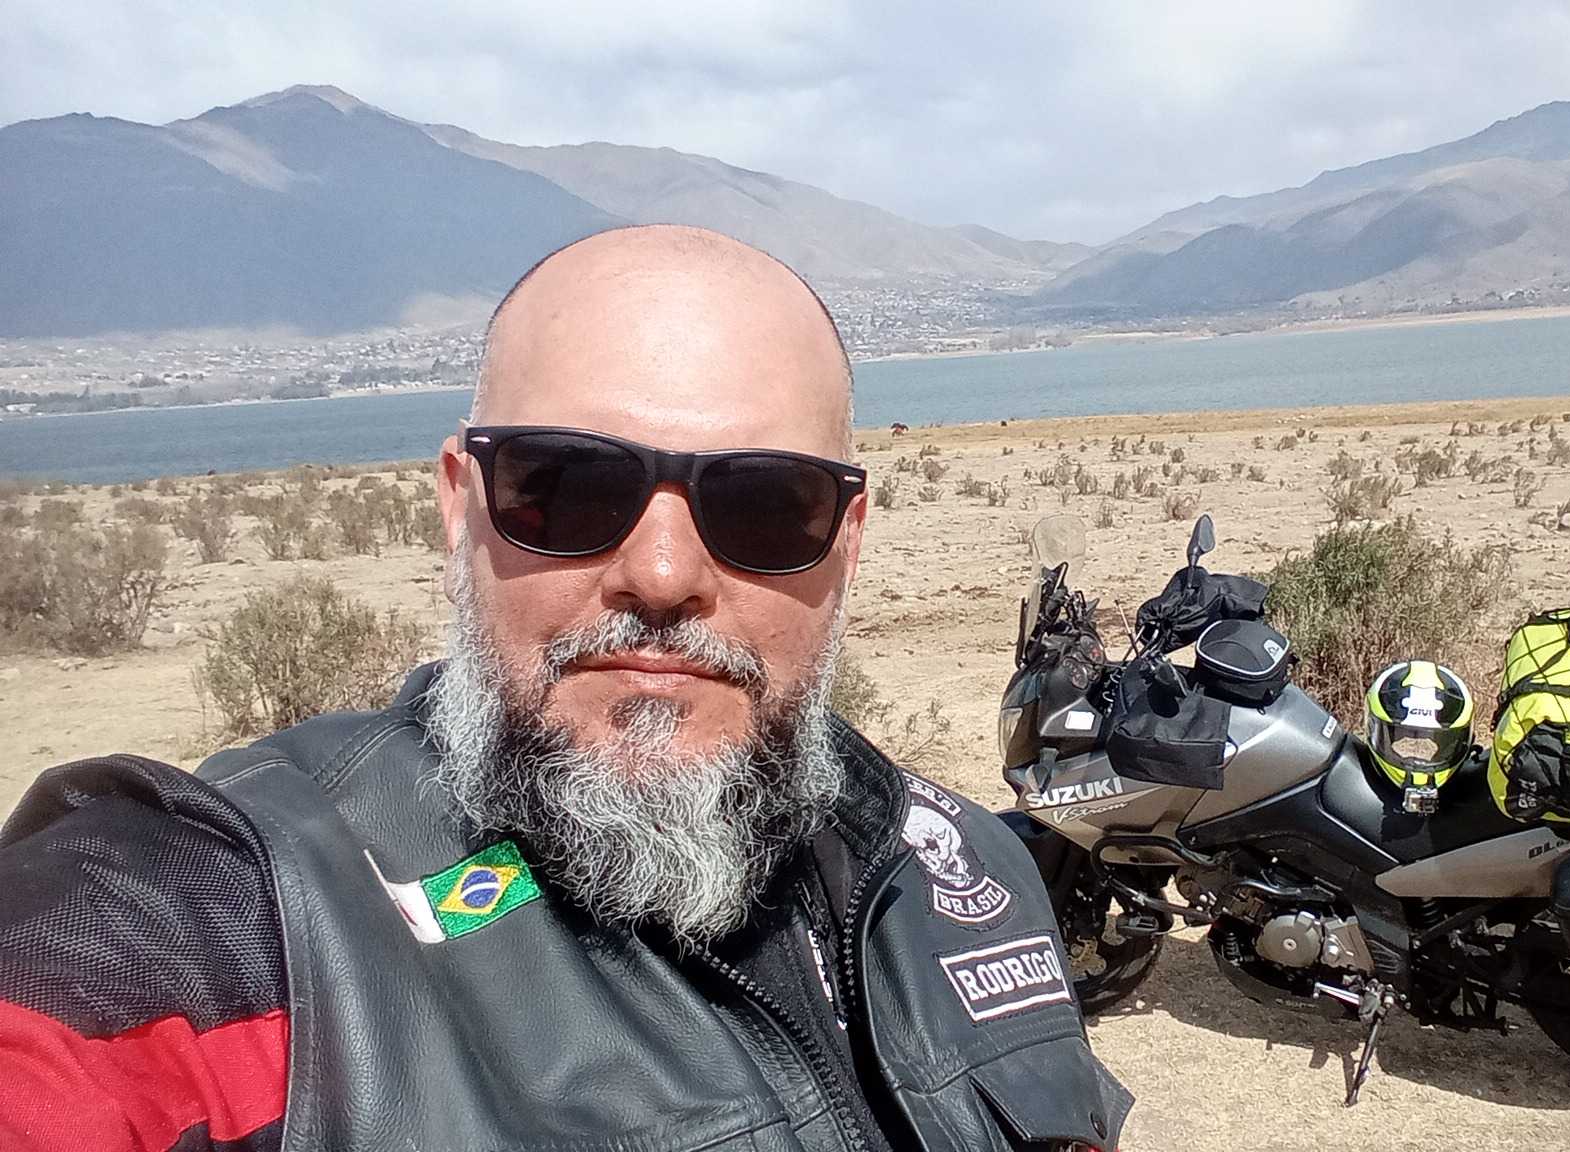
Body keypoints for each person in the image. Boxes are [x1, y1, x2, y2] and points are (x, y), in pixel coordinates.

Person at [0, 226, 1131, 1152]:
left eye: (764, 504)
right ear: (460, 505)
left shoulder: (964, 872)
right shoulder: (251, 927)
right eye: (567, 488)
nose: (662, 576)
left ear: (846, 537)